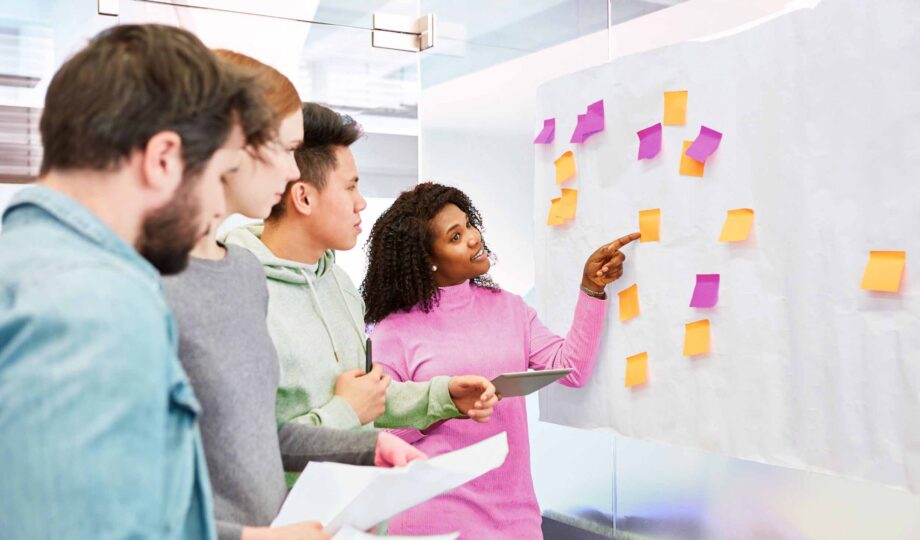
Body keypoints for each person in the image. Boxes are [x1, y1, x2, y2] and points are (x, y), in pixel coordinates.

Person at [0, 25, 273, 539]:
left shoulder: (26, 265)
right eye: (218, 177)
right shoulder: (92, 306)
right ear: (163, 159)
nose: (219, 207)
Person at [162, 51, 425, 540]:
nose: (289, 172)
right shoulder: (148, 279)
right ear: (228, 147)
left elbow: (256, 435)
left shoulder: (237, 273)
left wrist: (367, 447)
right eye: (284, 149)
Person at [362, 182, 641, 539]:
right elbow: (379, 430)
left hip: (516, 517)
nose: (474, 238)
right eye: (455, 236)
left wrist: (592, 288)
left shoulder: (509, 307)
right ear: (427, 260)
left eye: (469, 225)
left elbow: (572, 369)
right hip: (432, 518)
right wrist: (445, 404)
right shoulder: (393, 330)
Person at [224, 104, 498, 434]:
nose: (361, 202)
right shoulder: (235, 296)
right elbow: (243, 445)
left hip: (355, 484)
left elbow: (368, 395)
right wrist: (346, 412)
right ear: (304, 198)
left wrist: (441, 396)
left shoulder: (338, 282)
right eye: (350, 187)